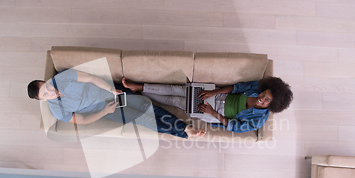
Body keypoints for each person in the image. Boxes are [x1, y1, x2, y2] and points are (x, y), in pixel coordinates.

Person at [27, 69, 205, 139]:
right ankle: (184, 130)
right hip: (105, 110)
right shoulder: (58, 111)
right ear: (42, 100)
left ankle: (184, 129)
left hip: (109, 91)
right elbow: (82, 120)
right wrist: (104, 111)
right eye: (46, 94)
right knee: (142, 118)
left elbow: (90, 78)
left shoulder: (61, 78)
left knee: (146, 106)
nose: (51, 91)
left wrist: (111, 90)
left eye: (48, 86)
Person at [121, 76, 293, 133]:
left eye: (266, 100)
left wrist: (212, 113)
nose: (261, 98)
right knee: (178, 89)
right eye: (263, 94)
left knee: (176, 101)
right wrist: (214, 92)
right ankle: (140, 87)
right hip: (217, 96)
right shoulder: (256, 88)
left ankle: (141, 92)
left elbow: (234, 126)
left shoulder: (259, 120)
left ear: (272, 105)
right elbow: (237, 87)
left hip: (215, 112)